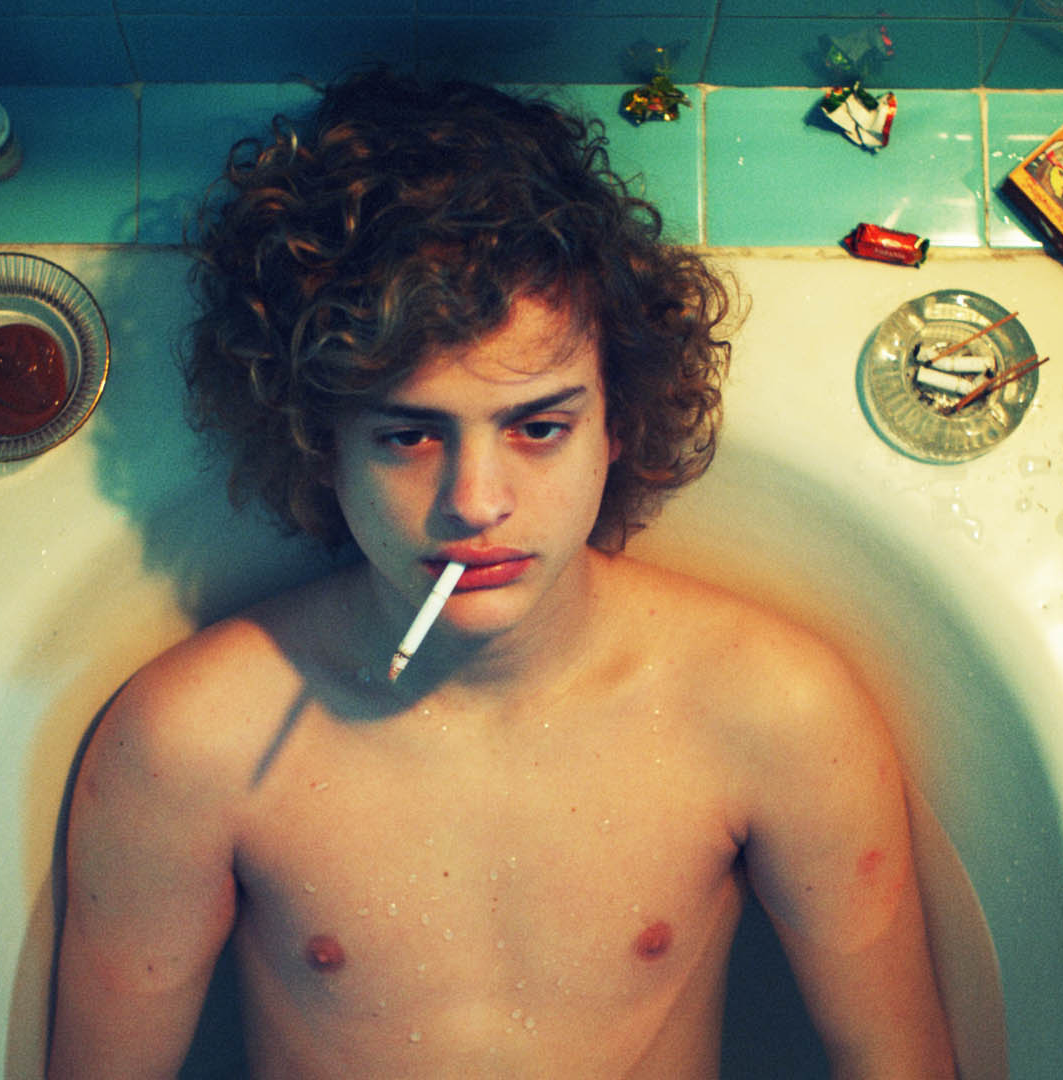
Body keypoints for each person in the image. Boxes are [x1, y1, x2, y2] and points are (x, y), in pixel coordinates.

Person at [48, 69, 955, 1079]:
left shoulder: (773, 711)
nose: (477, 503)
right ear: (320, 444)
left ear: (617, 423)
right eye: (408, 436)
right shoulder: (190, 744)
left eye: (538, 427)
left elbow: (895, 1058)